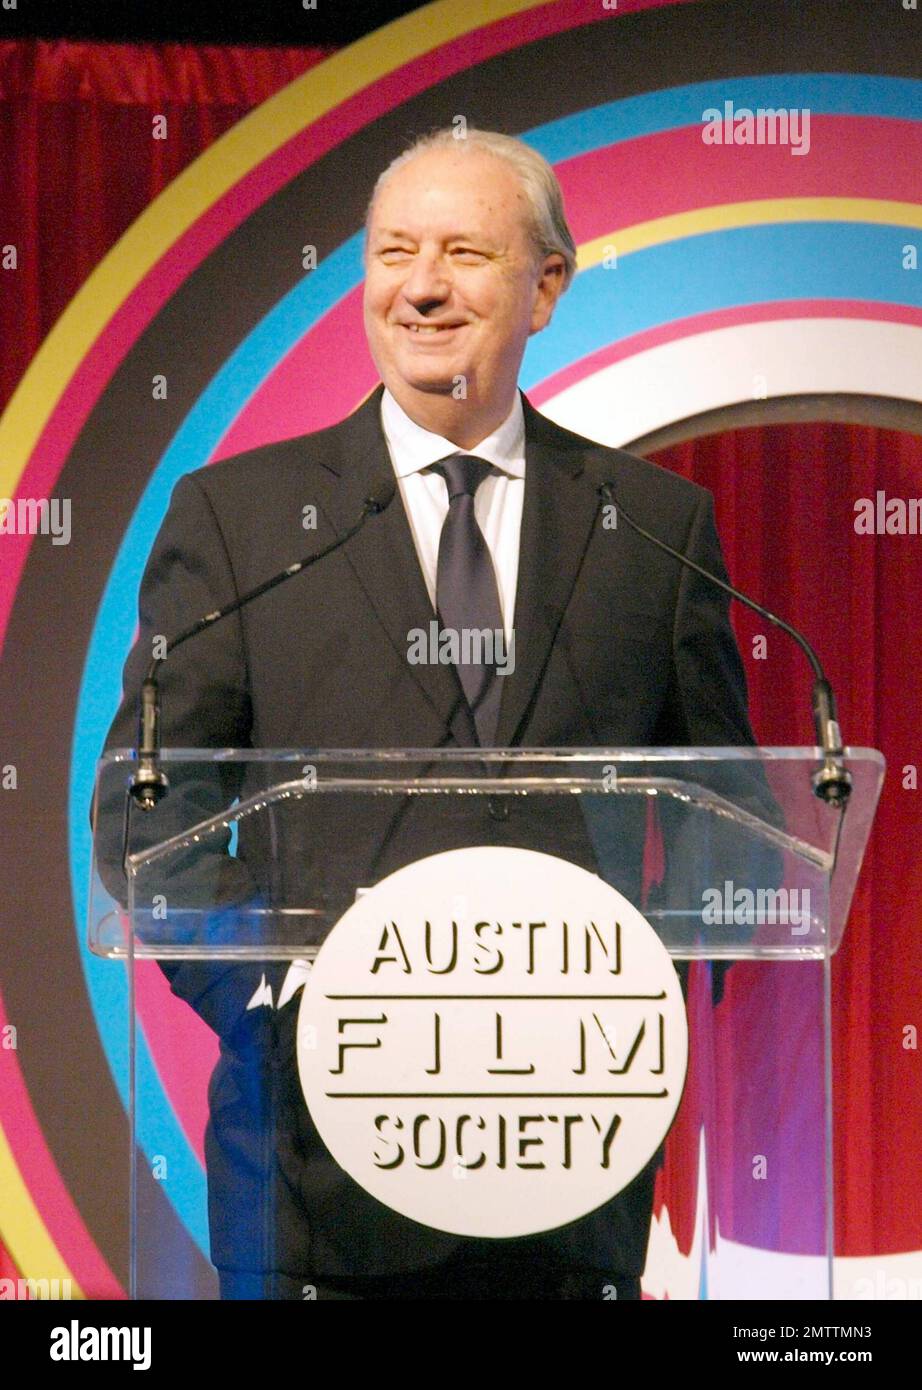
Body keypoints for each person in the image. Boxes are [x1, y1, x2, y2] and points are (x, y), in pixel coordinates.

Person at [94, 128, 761, 1300]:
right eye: (393, 251)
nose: (420, 287)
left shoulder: (652, 531)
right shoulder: (241, 521)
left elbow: (727, 818)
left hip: (568, 1161)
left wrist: (633, 1000)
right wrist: (277, 996)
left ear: (548, 285)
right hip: (311, 1171)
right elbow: (147, 810)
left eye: (463, 252)